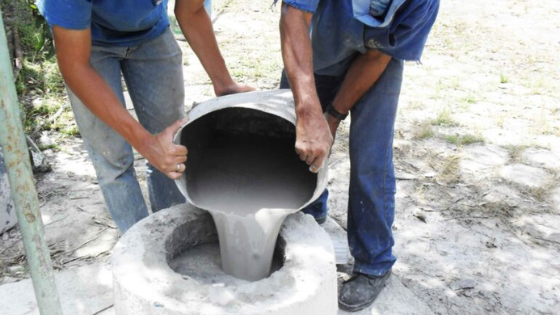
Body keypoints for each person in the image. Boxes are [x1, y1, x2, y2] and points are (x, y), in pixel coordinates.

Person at [278, 0, 439, 311]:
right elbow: (294, 15)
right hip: (314, 42)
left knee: (371, 156)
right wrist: (308, 110)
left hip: (375, 58)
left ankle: (374, 262)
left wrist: (333, 116)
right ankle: (307, 213)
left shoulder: (423, 3)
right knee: (289, 136)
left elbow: (379, 56)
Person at [37, 0, 254, 232]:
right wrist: (146, 144)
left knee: (173, 148)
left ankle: (175, 232)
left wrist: (224, 83)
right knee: (113, 159)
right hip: (88, 40)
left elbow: (191, 10)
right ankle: (138, 248)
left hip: (151, 33)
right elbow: (75, 65)